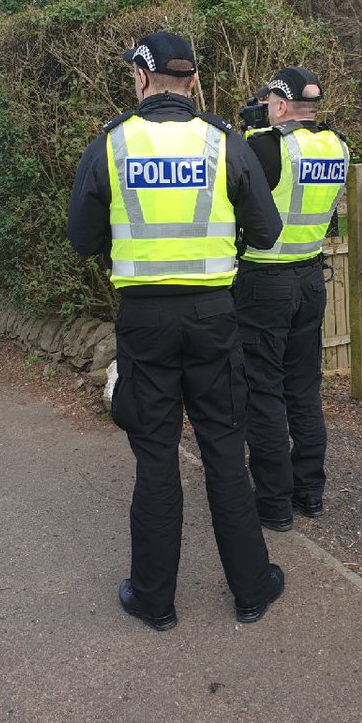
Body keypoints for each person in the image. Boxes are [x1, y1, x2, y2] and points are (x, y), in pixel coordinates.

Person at [66, 31, 286, 630]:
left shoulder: (111, 144)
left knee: (156, 456)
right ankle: (250, 591)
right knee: (223, 450)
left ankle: (154, 599)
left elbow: (82, 239)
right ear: (192, 82)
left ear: (140, 81)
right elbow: (267, 232)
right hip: (215, 319)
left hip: (144, 323)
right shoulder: (224, 143)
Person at [235, 65, 349, 531]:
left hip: (264, 282)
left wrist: (250, 129)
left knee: (263, 395)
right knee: (303, 391)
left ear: (280, 105)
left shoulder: (267, 145)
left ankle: (274, 505)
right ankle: (310, 494)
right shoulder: (338, 146)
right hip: (309, 280)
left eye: (268, 104)